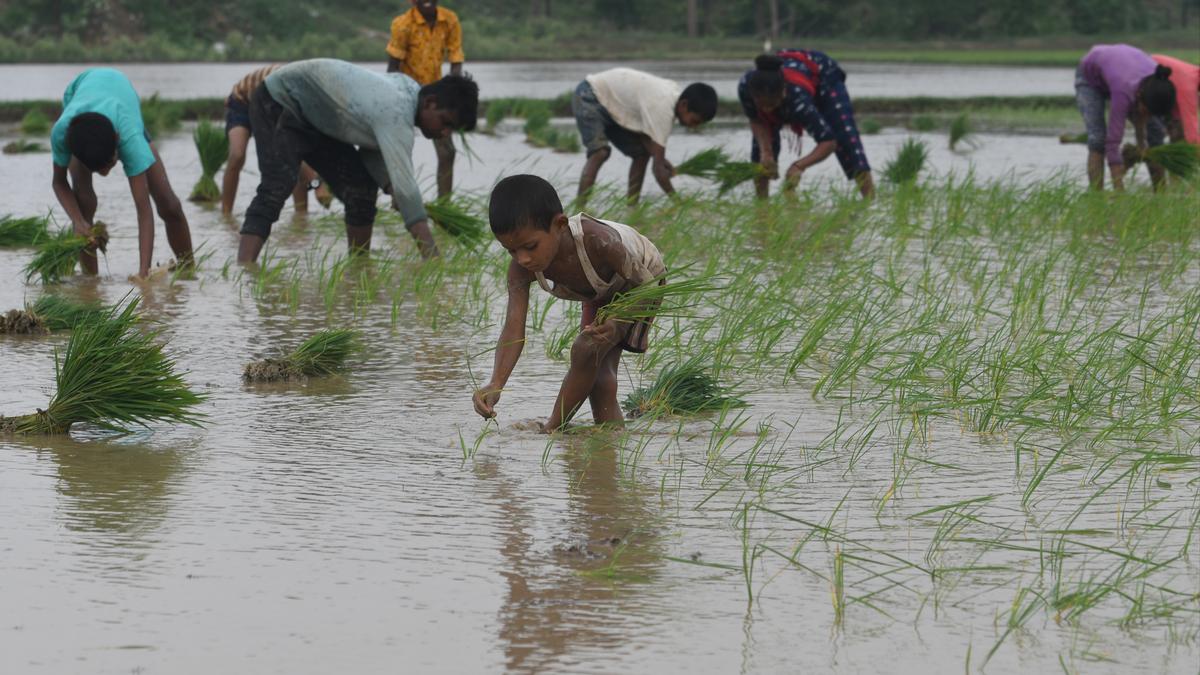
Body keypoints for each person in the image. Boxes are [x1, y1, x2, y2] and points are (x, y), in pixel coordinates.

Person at [472, 175, 667, 433]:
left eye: (530, 246)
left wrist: (618, 322)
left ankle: (553, 429)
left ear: (560, 224)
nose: (523, 259)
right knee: (595, 375)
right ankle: (609, 444)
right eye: (512, 251)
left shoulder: (598, 241)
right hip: (599, 292)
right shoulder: (521, 269)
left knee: (587, 349)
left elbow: (647, 285)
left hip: (641, 282)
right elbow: (513, 328)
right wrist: (496, 382)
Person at [236, 58, 478, 263]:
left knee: (361, 188)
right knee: (276, 186)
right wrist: (434, 260)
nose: (445, 133)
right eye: (445, 122)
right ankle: (244, 270)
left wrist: (390, 186)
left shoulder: (408, 91)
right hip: (280, 99)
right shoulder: (396, 111)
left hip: (318, 118)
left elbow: (370, 154)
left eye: (452, 129)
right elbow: (407, 191)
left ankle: (359, 269)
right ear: (430, 103)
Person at [50, 67, 195, 279]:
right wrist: (78, 220)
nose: (106, 173)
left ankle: (189, 271)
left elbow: (143, 208)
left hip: (122, 100)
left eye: (110, 164)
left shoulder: (128, 136)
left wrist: (143, 272)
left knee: (169, 204)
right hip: (80, 101)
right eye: (98, 170)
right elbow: (59, 183)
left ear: (117, 141)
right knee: (84, 201)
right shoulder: (63, 133)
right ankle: (91, 282)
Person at [739, 51, 874, 200]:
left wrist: (799, 166)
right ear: (753, 95)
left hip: (824, 77)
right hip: (784, 78)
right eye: (761, 104)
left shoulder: (797, 99)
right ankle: (762, 209)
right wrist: (766, 153)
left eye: (771, 104)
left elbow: (828, 141)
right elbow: (757, 120)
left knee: (846, 138)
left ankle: (870, 202)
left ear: (783, 92)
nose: (766, 110)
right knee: (760, 158)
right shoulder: (746, 88)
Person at [572, 68, 718, 205]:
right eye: (694, 121)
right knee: (600, 152)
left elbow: (645, 137)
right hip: (590, 94)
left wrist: (659, 158)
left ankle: (632, 208)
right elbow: (658, 171)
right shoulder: (663, 109)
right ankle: (579, 211)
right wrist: (678, 202)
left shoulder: (673, 99)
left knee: (642, 154)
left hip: (612, 104)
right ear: (684, 105)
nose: (694, 126)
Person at [221, 64, 331, 217]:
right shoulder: (293, 89)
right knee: (237, 155)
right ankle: (226, 215)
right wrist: (317, 184)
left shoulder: (312, 100)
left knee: (294, 154)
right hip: (243, 101)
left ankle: (301, 217)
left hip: (269, 105)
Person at [386, 0, 465, 198]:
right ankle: (401, 201)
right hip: (406, 94)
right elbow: (392, 68)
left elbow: (456, 60)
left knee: (447, 152)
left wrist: (451, 92)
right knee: (401, 153)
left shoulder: (449, 20)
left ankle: (444, 205)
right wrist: (398, 101)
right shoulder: (403, 24)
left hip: (435, 97)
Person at [1075, 44, 1176, 191]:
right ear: (1140, 97)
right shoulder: (1124, 91)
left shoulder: (1158, 82)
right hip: (1090, 77)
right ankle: (1096, 197)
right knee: (1098, 139)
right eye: (1147, 112)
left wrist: (1142, 143)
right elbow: (1113, 142)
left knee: (1156, 133)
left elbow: (1143, 117)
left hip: (1120, 69)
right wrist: (1119, 190)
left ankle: (1161, 193)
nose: (1148, 116)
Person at [1150, 54, 1199, 146]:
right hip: (1145, 77)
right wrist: (1197, 149)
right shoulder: (1188, 86)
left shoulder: (1192, 72)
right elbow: (1190, 123)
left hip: (1157, 87)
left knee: (1176, 125)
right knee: (1156, 131)